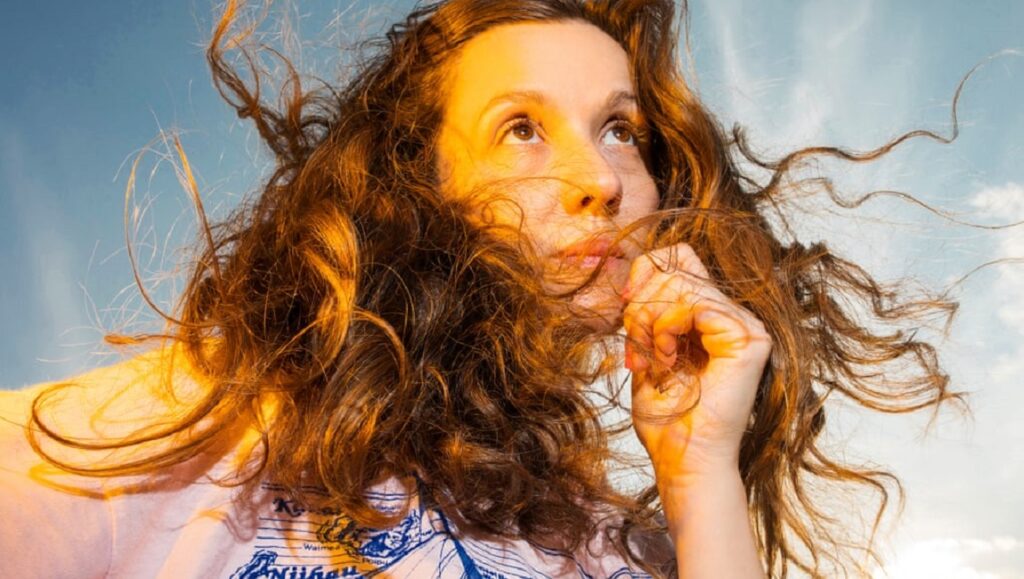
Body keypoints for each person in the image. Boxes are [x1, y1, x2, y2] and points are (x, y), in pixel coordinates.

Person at [0, 0, 966, 577]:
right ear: (419, 183)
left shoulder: (613, 547)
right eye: (522, 128)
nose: (602, 179)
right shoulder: (199, 430)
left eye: (622, 129)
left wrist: (699, 476)